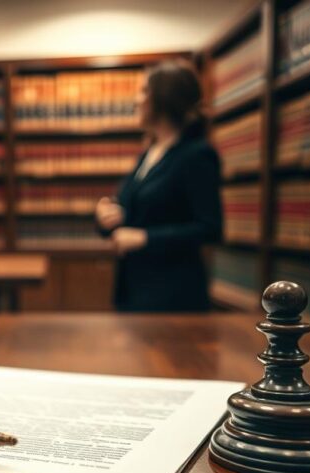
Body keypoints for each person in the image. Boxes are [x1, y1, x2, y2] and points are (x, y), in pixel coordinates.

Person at [95, 60, 222, 312]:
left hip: (173, 299)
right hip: (133, 292)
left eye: (144, 91)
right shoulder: (149, 153)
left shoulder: (196, 155)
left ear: (164, 99)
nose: (137, 99)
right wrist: (107, 216)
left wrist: (145, 238)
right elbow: (134, 213)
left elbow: (211, 228)